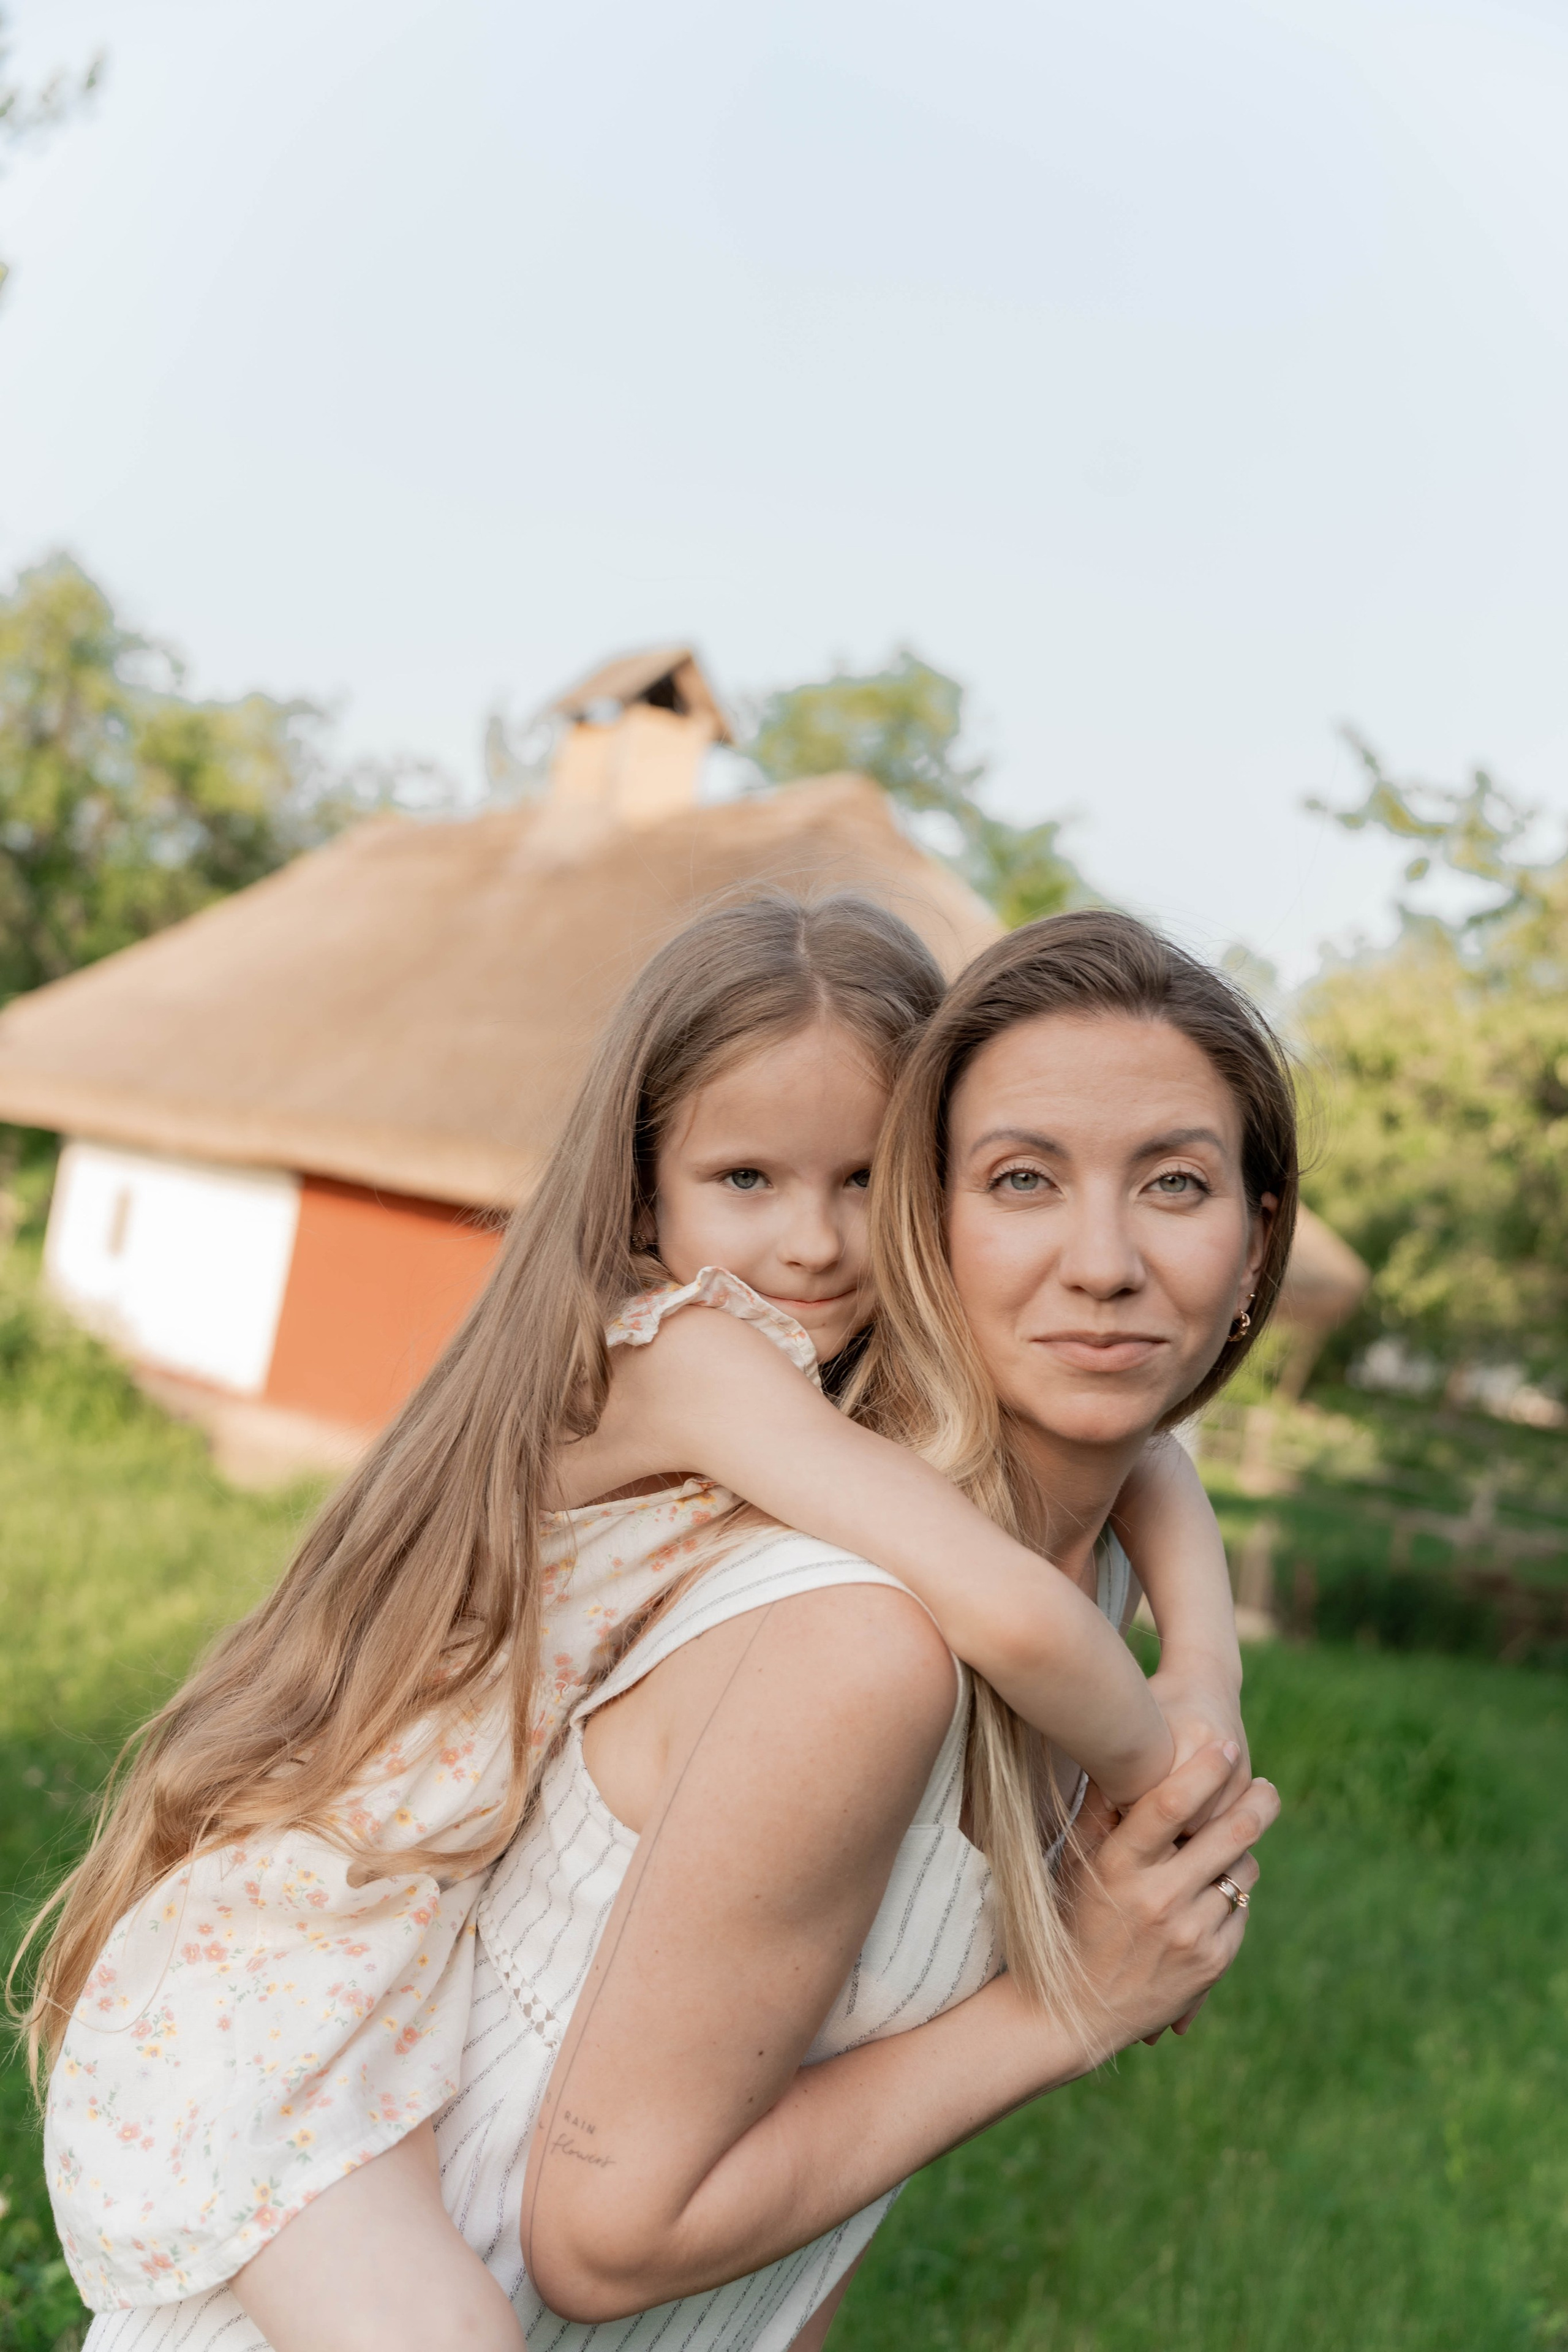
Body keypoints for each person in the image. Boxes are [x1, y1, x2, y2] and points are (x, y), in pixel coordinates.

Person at [33, 897, 1270, 2351]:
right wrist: (1172, 1798)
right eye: (745, 1176)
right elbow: (1014, 1614)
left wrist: (1204, 1664)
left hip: (439, 1995)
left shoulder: (906, 1471)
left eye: (863, 1181)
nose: (811, 1243)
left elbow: (1155, 1472)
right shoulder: (696, 1365)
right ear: (640, 1200)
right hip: (319, 1946)